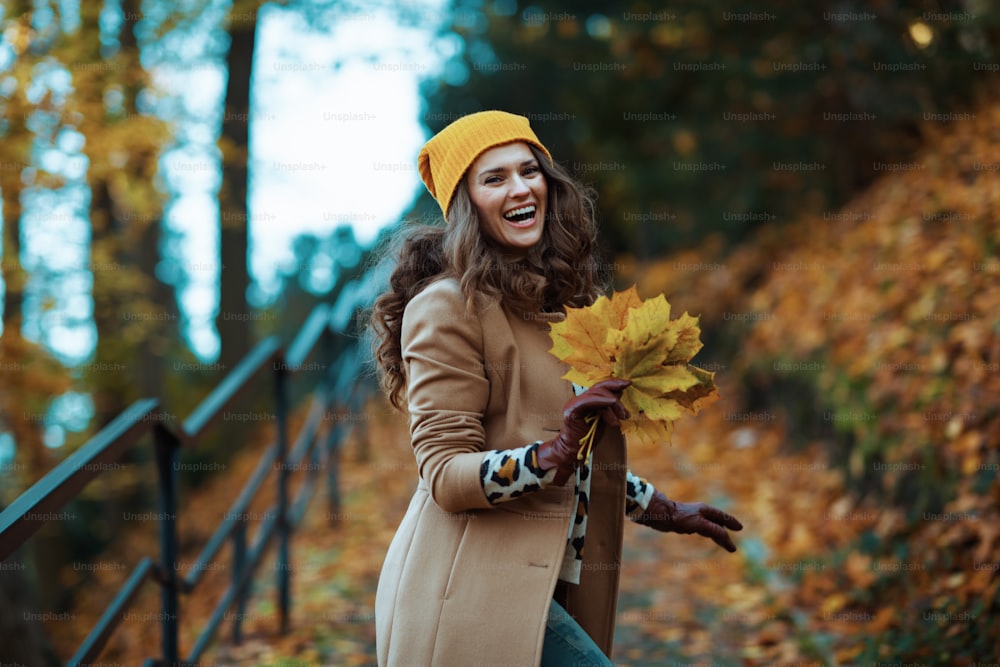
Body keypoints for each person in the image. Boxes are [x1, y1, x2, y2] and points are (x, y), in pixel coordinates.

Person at [369, 110, 742, 667]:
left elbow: (573, 454)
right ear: (466, 206)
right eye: (493, 178)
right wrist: (551, 454)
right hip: (468, 595)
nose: (520, 188)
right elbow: (446, 475)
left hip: (539, 589)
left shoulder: (558, 308)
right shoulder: (445, 308)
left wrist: (661, 509)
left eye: (529, 170)